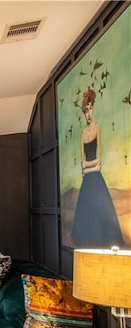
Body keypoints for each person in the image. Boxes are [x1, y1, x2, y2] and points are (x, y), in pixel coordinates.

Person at [71, 88, 124, 247]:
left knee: (101, 211)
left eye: (89, 109)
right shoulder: (83, 134)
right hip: (88, 179)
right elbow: (83, 163)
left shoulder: (97, 127)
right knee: (87, 215)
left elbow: (99, 159)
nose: (88, 114)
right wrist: (91, 167)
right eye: (85, 111)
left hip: (94, 179)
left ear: (93, 108)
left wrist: (90, 167)